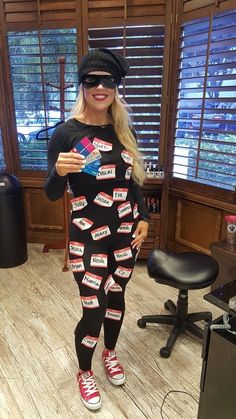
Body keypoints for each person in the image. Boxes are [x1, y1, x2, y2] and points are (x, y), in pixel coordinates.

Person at [44, 48, 149, 411]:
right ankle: (84, 371)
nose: (100, 87)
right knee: (94, 308)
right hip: (87, 236)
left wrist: (145, 218)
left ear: (116, 87)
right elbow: (52, 193)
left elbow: (134, 182)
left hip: (125, 232)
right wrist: (59, 171)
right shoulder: (66, 133)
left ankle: (110, 352)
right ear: (83, 85)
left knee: (117, 297)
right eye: (93, 80)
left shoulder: (123, 129)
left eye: (108, 81)